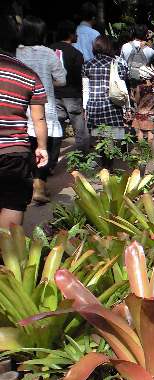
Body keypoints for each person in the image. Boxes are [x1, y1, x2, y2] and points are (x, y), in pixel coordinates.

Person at [0, 11, 48, 229]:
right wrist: (42, 147)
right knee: (12, 204)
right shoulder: (28, 74)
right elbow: (39, 119)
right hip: (14, 153)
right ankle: (6, 250)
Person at [16, 16, 66, 204]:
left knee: (24, 149)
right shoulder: (48, 53)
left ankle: (27, 185)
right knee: (44, 148)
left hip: (20, 108)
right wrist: (47, 83)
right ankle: (39, 185)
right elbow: (62, 80)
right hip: (44, 107)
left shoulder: (14, 52)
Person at [82, 35, 129, 169]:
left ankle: (104, 166)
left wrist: (85, 108)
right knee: (111, 138)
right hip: (112, 106)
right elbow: (122, 88)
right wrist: (126, 108)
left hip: (94, 106)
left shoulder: (87, 65)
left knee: (100, 138)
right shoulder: (118, 64)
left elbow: (86, 90)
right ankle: (109, 167)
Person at [50, 20, 90, 153]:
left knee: (56, 130)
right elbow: (80, 78)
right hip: (72, 96)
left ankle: (51, 160)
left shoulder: (48, 50)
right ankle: (83, 158)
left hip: (54, 95)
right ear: (70, 34)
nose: (77, 36)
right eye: (75, 33)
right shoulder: (76, 54)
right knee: (80, 131)